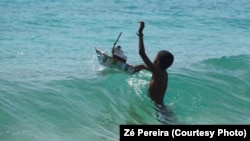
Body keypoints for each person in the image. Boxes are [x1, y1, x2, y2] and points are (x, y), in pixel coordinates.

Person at [134, 21, 174, 108]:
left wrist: (140, 34)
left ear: (158, 62)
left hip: (158, 109)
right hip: (161, 107)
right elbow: (153, 69)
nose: (153, 59)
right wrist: (143, 66)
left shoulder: (157, 72)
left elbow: (141, 53)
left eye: (155, 57)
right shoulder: (163, 73)